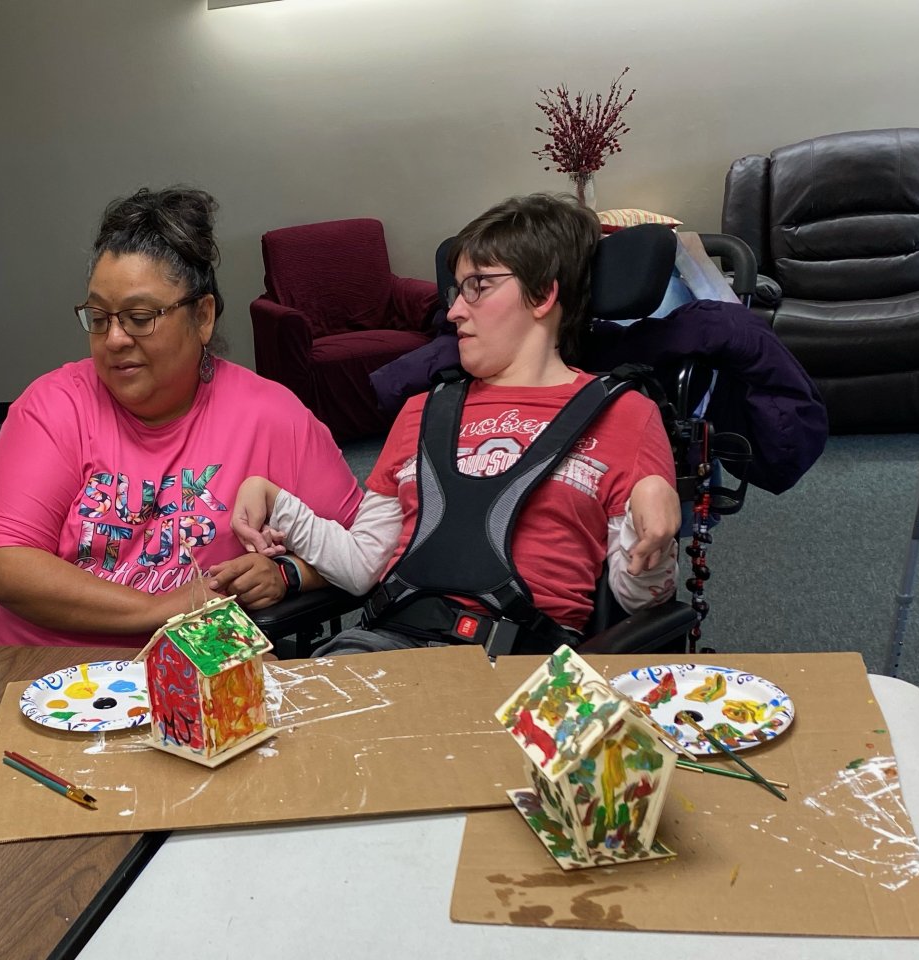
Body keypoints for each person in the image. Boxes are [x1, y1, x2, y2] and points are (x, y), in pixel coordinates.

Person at [228, 194, 680, 656]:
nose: (454, 311)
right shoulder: (423, 411)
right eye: (456, 291)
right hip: (385, 649)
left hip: (522, 666)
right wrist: (276, 500)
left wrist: (653, 530)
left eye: (478, 286)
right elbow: (362, 566)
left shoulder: (624, 414)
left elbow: (640, 599)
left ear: (543, 294)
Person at [0, 186, 362, 647]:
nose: (114, 339)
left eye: (139, 317)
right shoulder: (53, 406)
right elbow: (2, 564)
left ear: (202, 317)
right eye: (98, 318)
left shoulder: (272, 416)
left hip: (201, 665)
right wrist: (162, 609)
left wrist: (287, 574)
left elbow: (362, 548)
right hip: (44, 667)